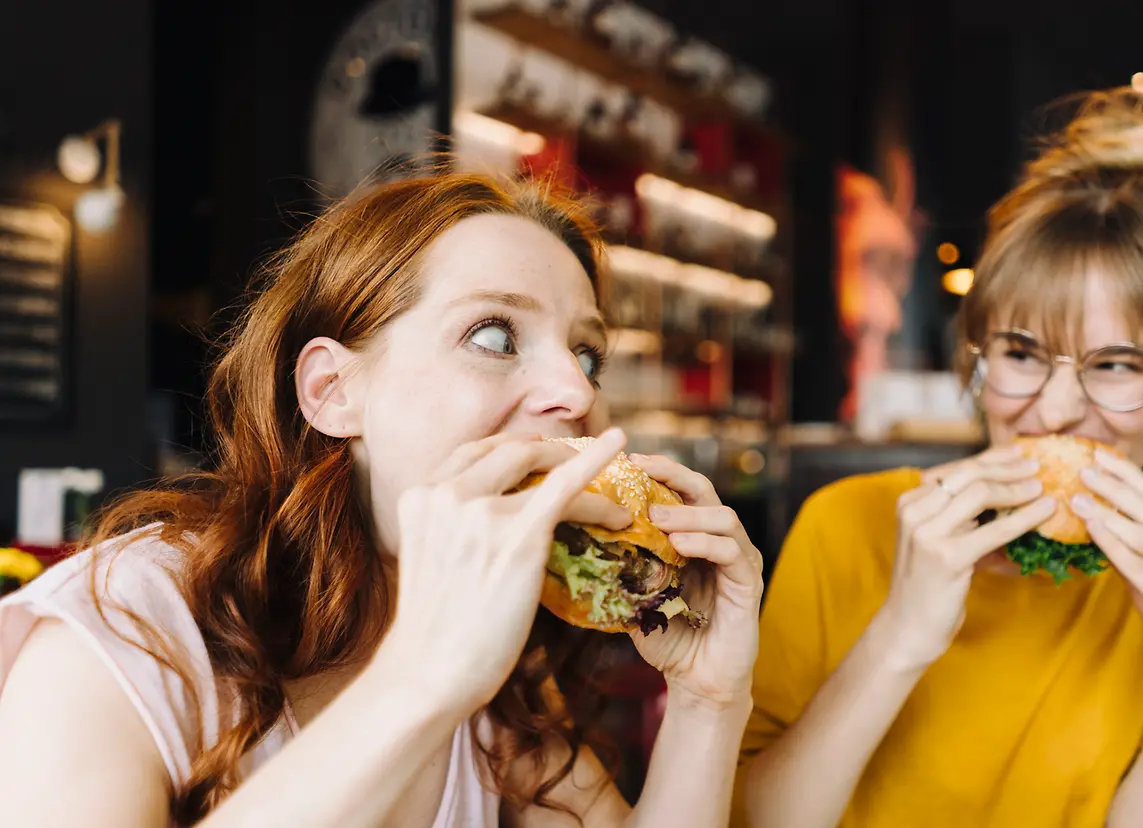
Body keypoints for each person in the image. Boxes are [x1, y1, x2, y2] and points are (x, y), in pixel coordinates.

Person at [0, 171, 764, 827]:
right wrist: (423, 678)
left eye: (587, 354)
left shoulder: (501, 701)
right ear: (333, 393)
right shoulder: (127, 630)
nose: (574, 391)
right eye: (495, 337)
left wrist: (706, 700)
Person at [738, 88, 1143, 828]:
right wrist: (900, 638)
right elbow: (755, 820)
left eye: (1115, 365)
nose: (1053, 411)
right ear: (975, 357)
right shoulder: (845, 526)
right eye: (1021, 353)